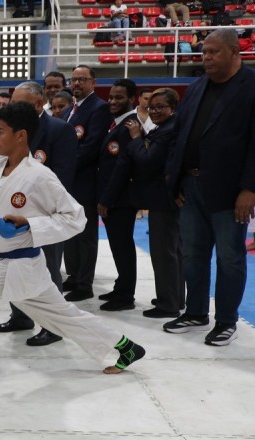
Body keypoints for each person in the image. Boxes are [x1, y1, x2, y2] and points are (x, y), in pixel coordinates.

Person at [0, 102, 147, 399]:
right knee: (62, 316)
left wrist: (30, 224)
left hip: (17, 263)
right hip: (17, 267)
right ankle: (125, 347)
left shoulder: (40, 176)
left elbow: (75, 218)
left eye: (1, 132)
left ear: (21, 135)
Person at [164, 29, 255, 346]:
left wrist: (249, 189)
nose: (206, 58)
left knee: (230, 258)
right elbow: (179, 135)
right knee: (192, 254)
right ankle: (195, 312)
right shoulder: (197, 86)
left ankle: (226, 321)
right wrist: (175, 179)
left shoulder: (251, 86)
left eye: (213, 52)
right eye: (204, 52)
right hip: (191, 184)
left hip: (231, 191)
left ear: (234, 52)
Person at [0, 81, 78, 346]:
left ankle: (53, 326)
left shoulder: (59, 129)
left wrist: (40, 209)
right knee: (14, 265)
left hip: (43, 215)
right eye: (12, 102)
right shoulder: (11, 130)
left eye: (20, 103)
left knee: (49, 270)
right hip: (13, 210)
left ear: (38, 103)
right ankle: (20, 316)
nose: (14, 107)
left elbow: (63, 176)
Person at [106, 88, 184, 320]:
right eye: (152, 107)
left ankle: (168, 304)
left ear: (173, 108)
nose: (155, 111)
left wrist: (136, 138)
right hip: (165, 199)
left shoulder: (167, 131)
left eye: (161, 107)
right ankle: (175, 298)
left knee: (163, 253)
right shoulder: (167, 127)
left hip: (163, 200)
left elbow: (147, 161)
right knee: (173, 251)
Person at [62, 65, 112, 302]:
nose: (77, 84)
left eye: (82, 79)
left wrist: (64, 167)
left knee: (85, 235)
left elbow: (91, 146)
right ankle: (73, 275)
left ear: (94, 82)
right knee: (69, 232)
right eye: (74, 80)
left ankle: (85, 284)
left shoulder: (99, 108)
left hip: (84, 181)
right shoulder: (69, 110)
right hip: (67, 183)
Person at [95, 79, 141, 314]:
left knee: (123, 247)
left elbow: (122, 167)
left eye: (119, 97)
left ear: (131, 99)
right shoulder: (117, 124)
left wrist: (106, 199)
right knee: (118, 245)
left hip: (120, 199)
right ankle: (121, 286)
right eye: (111, 97)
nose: (112, 101)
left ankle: (125, 295)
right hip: (114, 197)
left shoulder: (129, 126)